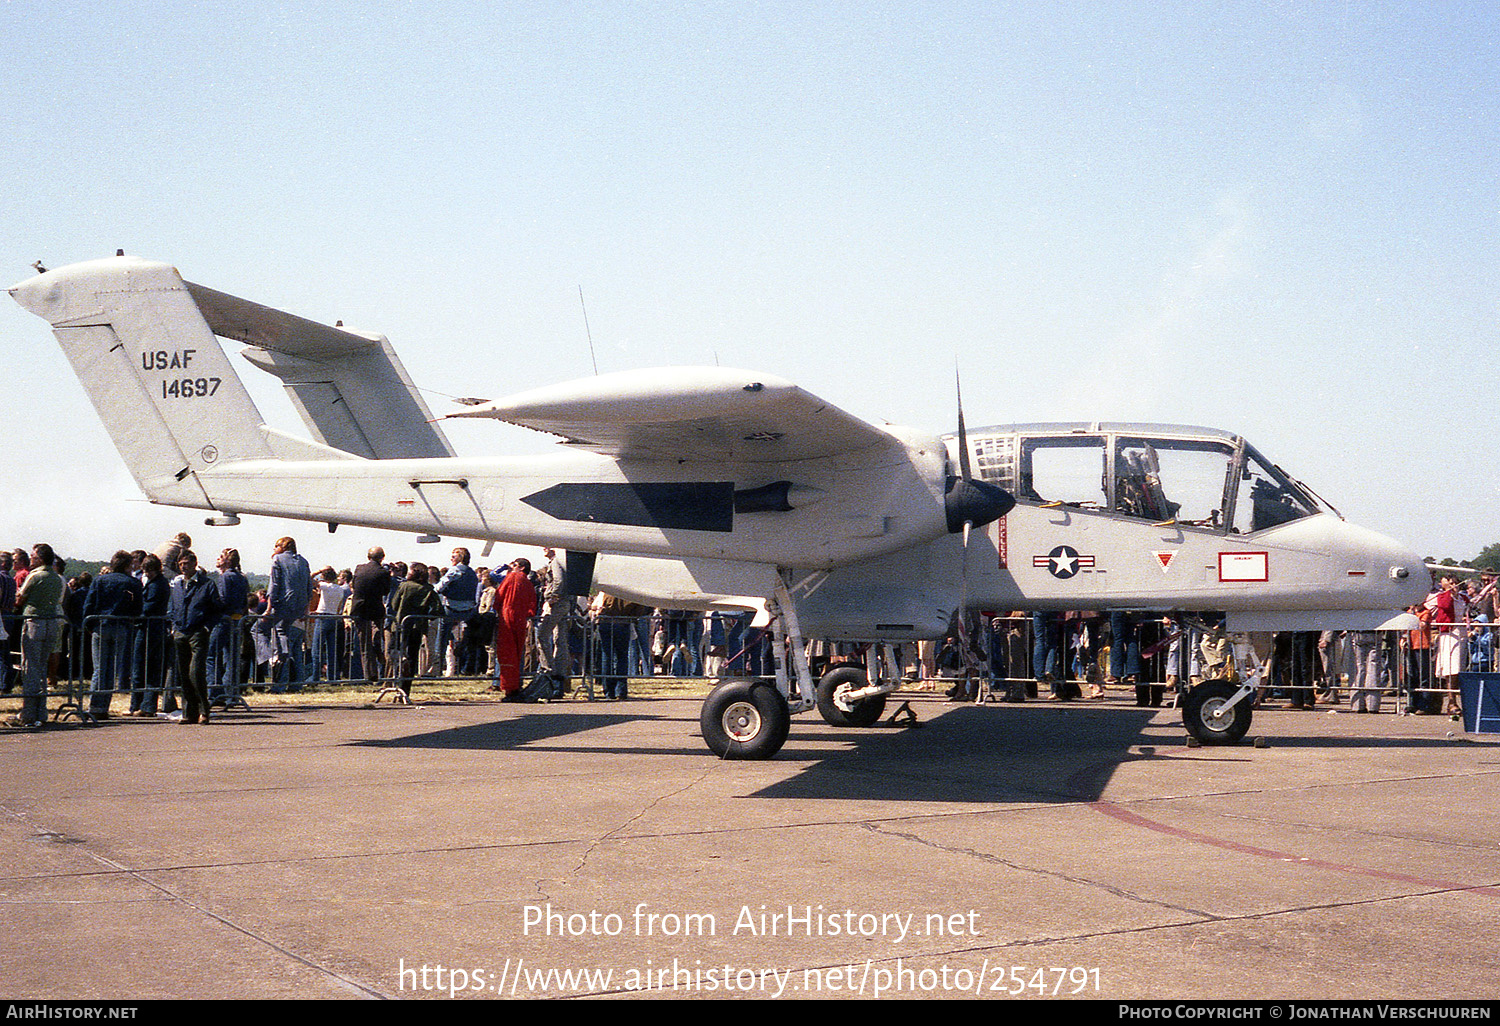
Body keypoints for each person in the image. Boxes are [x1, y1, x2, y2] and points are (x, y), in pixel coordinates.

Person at [7, 544, 65, 728]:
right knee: (41, 667)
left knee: (30, 668)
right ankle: (41, 712)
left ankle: (28, 714)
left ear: (40, 559)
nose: (31, 559)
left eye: (33, 556)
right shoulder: (57, 578)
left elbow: (20, 598)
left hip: (34, 622)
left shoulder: (35, 576)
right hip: (51, 623)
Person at [83, 550, 142, 720]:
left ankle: (95, 706)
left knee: (99, 668)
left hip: (100, 625)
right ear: (126, 565)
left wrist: (90, 625)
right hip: (122, 626)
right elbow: (138, 609)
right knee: (112, 669)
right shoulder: (133, 582)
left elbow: (89, 605)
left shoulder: (99, 580)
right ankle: (103, 707)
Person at [168, 550, 223, 724]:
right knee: (183, 674)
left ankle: (203, 710)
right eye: (181, 564)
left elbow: (217, 609)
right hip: (180, 632)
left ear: (194, 564)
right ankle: (188, 712)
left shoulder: (207, 584)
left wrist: (207, 627)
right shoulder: (176, 585)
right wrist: (174, 627)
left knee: (195, 673)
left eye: (187, 563)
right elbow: (172, 607)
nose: (184, 567)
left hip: (198, 632)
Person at [257, 537, 312, 692]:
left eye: (276, 546)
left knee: (257, 630)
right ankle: (286, 675)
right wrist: (305, 610)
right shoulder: (303, 561)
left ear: (283, 547)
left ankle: (268, 661)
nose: (273, 549)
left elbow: (273, 586)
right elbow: (308, 587)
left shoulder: (278, 560)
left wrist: (268, 609)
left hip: (282, 606)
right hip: (298, 608)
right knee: (284, 637)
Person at [492, 557, 537, 700]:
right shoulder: (528, 583)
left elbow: (499, 595)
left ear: (522, 567)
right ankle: (515, 686)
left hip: (507, 617)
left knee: (506, 653)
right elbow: (532, 605)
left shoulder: (512, 577)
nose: (512, 567)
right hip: (520, 619)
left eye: (514, 565)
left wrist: (497, 611)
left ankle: (509, 688)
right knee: (518, 654)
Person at [350, 547, 392, 683]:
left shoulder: (359, 568)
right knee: (378, 639)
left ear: (368, 557)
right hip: (375, 609)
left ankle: (369, 674)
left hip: (359, 608)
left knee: (364, 644)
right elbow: (386, 591)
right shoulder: (383, 572)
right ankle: (383, 667)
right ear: (382, 557)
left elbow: (355, 584)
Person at [434, 547, 478, 677]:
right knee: (469, 636)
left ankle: (437, 666)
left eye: (453, 556)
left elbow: (439, 588)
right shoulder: (472, 573)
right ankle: (466, 663)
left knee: (441, 637)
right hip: (468, 611)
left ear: (460, 558)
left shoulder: (455, 570)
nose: (451, 559)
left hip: (452, 609)